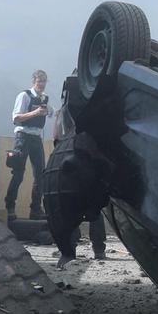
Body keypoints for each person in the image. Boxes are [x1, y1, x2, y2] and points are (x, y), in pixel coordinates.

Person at [51, 71, 107, 266]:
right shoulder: (99, 105)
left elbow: (57, 141)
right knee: (93, 209)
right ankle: (96, 250)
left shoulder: (65, 112)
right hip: (87, 165)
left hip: (74, 167)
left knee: (71, 210)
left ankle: (70, 252)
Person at [5, 69, 50, 222]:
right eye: (39, 82)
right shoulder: (24, 96)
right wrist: (35, 113)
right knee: (18, 173)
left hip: (36, 137)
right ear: (33, 82)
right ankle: (10, 207)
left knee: (40, 174)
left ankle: (36, 209)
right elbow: (16, 118)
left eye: (44, 82)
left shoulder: (44, 99)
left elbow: (52, 112)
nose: (42, 85)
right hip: (23, 136)